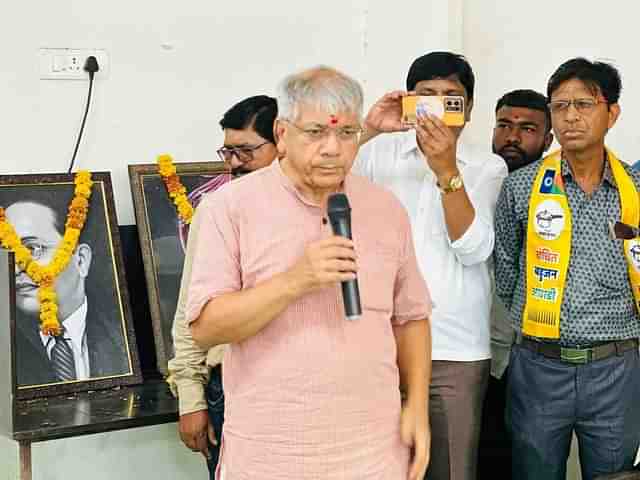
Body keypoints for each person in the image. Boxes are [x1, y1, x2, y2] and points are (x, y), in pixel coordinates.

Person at [186, 65, 432, 479]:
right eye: (316, 132)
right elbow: (205, 328)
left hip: (373, 450)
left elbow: (411, 318)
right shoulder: (229, 209)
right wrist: (294, 281)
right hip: (272, 454)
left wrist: (418, 407)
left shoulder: (385, 209)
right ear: (282, 135)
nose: (333, 148)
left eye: (347, 133)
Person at [355, 51, 507, 480]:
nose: (439, 108)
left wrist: (446, 170)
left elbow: (474, 249)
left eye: (451, 99)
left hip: (454, 349)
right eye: (427, 97)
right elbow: (310, 180)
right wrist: (366, 129)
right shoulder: (376, 154)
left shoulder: (488, 166)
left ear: (470, 109)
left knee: (452, 471)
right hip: (378, 343)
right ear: (408, 100)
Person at [494, 58, 640, 480]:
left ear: (611, 113)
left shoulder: (636, 190)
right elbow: (506, 272)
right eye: (560, 107)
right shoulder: (522, 187)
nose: (571, 117)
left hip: (617, 368)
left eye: (584, 104)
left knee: (616, 476)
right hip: (538, 367)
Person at [167, 95, 278, 478]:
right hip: (228, 389)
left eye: (246, 151)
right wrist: (191, 399)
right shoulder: (217, 211)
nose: (233, 164)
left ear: (284, 143)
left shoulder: (324, 210)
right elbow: (189, 311)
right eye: (228, 152)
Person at [478, 89, 553, 477]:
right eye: (504, 125)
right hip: (474, 346)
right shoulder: (471, 178)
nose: (512, 137)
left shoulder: (556, 193)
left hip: (530, 350)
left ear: (548, 139)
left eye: (527, 129)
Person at [4, 192, 129, 386]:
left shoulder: (121, 340)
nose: (16, 267)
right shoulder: (7, 347)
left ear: (81, 260)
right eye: (7, 251)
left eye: (33, 249)